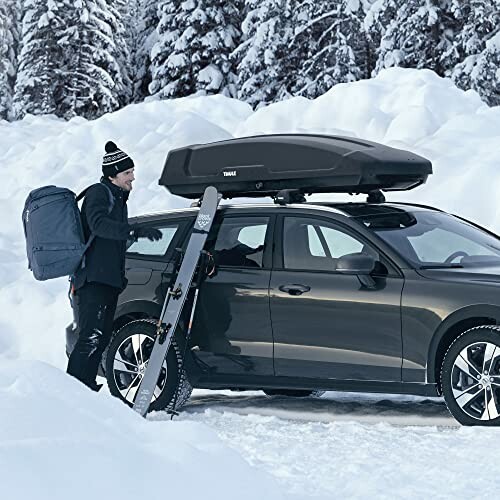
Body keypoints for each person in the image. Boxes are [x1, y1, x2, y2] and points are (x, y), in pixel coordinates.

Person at [67, 141, 162, 391]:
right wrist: (134, 230)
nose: (133, 177)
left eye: (132, 171)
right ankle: (70, 391)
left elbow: (111, 242)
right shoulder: (100, 193)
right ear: (113, 175)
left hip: (108, 281)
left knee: (102, 337)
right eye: (127, 173)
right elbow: (98, 225)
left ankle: (85, 387)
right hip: (93, 281)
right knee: (91, 336)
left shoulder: (119, 198)